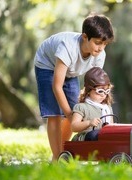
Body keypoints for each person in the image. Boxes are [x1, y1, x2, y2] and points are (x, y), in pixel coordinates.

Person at [34, 13, 114, 161]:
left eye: (105, 44)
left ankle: (62, 152)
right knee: (55, 114)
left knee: (75, 112)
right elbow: (57, 86)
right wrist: (69, 114)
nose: (101, 48)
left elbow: (93, 84)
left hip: (71, 71)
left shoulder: (100, 55)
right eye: (97, 43)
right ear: (85, 37)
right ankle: (58, 158)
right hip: (47, 65)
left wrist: (88, 108)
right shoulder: (68, 47)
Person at [71, 67, 114, 141]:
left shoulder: (107, 108)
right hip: (85, 138)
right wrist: (89, 123)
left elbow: (112, 126)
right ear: (88, 90)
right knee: (94, 135)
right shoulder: (81, 107)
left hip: (102, 137)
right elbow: (74, 126)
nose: (103, 95)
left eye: (106, 91)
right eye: (100, 91)